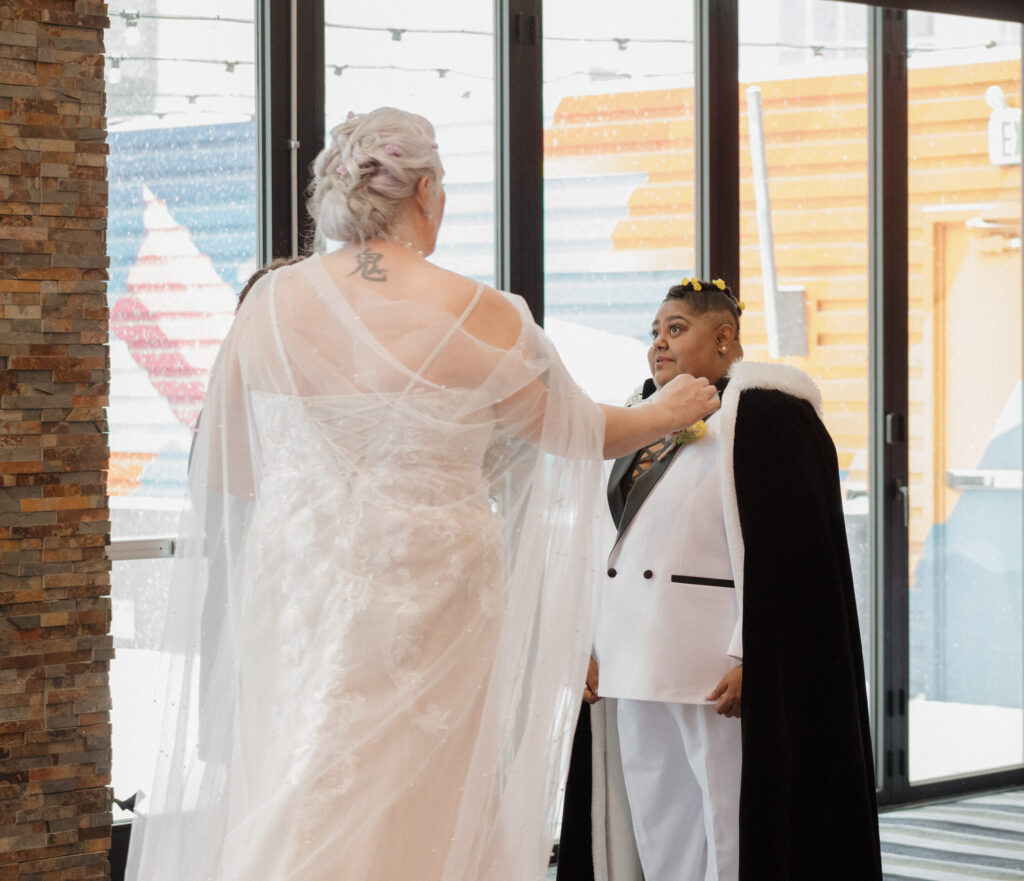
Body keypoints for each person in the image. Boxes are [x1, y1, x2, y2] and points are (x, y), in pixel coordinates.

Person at [123, 107, 719, 881]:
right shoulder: (480, 312)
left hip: (298, 587)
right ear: (427, 190)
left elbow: (230, 469)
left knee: (299, 769)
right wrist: (667, 412)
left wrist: (324, 498)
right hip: (432, 591)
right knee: (417, 783)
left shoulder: (269, 305)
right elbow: (576, 429)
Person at [557, 279, 882, 881]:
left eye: (675, 329)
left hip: (708, 664)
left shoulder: (765, 415)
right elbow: (603, 543)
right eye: (654, 332)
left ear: (724, 336)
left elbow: (787, 556)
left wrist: (754, 650)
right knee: (656, 822)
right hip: (633, 660)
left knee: (727, 823)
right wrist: (589, 645)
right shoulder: (639, 416)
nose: (659, 343)